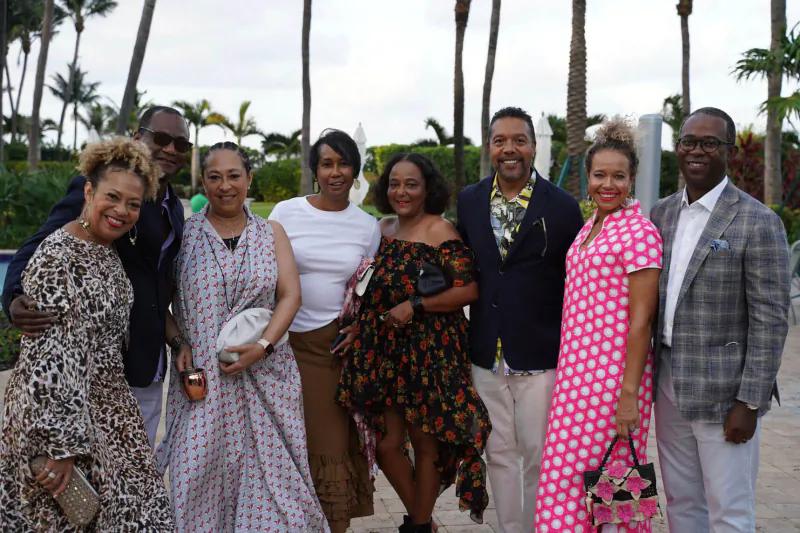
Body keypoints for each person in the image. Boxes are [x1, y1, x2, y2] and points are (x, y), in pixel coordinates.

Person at [0, 138, 173, 532]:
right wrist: (60, 449)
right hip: (64, 421)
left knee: (137, 514)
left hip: (110, 412)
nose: (122, 211)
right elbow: (50, 365)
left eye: (133, 204)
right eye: (112, 197)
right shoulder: (58, 257)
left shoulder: (104, 247)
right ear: (89, 191)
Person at [156, 142, 328, 532]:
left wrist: (263, 346)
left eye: (234, 175)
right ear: (203, 181)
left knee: (277, 491)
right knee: (195, 479)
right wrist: (178, 341)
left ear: (249, 179)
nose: (225, 185)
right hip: (203, 386)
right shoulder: (184, 236)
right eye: (214, 177)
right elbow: (159, 306)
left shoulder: (271, 233)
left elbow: (290, 295)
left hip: (267, 380)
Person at [2, 106, 191, 447]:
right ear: (138, 137)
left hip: (148, 364)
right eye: (161, 139)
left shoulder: (174, 208)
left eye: (181, 144)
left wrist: (176, 343)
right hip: (97, 367)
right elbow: (40, 245)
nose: (170, 150)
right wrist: (15, 295)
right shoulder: (107, 192)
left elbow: (157, 288)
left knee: (134, 471)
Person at [651, 107, 790, 533]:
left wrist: (749, 402)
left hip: (726, 394)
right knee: (681, 502)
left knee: (729, 510)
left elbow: (771, 320)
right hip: (668, 383)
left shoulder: (758, 221)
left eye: (709, 143)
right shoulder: (660, 215)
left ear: (728, 150)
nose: (697, 151)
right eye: (688, 142)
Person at [337, 153, 491, 533]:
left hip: (433, 351)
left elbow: (469, 289)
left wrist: (416, 304)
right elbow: (373, 291)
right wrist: (361, 325)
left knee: (426, 445)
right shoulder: (384, 229)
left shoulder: (440, 230)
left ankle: (418, 526)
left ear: (428, 189)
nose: (401, 191)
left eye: (411, 184)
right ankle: (424, 522)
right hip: (389, 351)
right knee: (388, 446)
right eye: (394, 183)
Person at [456, 106, 585, 533]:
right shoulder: (470, 201)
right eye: (500, 141)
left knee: (537, 454)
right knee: (497, 452)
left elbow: (576, 281)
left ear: (532, 147)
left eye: (519, 140)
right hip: (485, 353)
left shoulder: (564, 208)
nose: (509, 149)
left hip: (541, 353)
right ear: (489, 147)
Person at [535, 119, 663, 533]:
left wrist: (628, 396)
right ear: (587, 176)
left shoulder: (639, 232)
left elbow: (642, 320)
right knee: (568, 484)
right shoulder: (590, 227)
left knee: (610, 492)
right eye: (600, 175)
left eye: (619, 176)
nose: (609, 184)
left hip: (612, 384)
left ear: (633, 178)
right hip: (576, 380)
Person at [269, 129, 378, 533]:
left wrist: (360, 329)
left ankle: (332, 526)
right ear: (315, 169)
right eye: (327, 163)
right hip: (276, 345)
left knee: (329, 446)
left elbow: (369, 291)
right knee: (283, 445)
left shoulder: (367, 226)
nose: (336, 172)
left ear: (355, 169)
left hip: (329, 348)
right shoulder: (285, 211)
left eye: (344, 163)